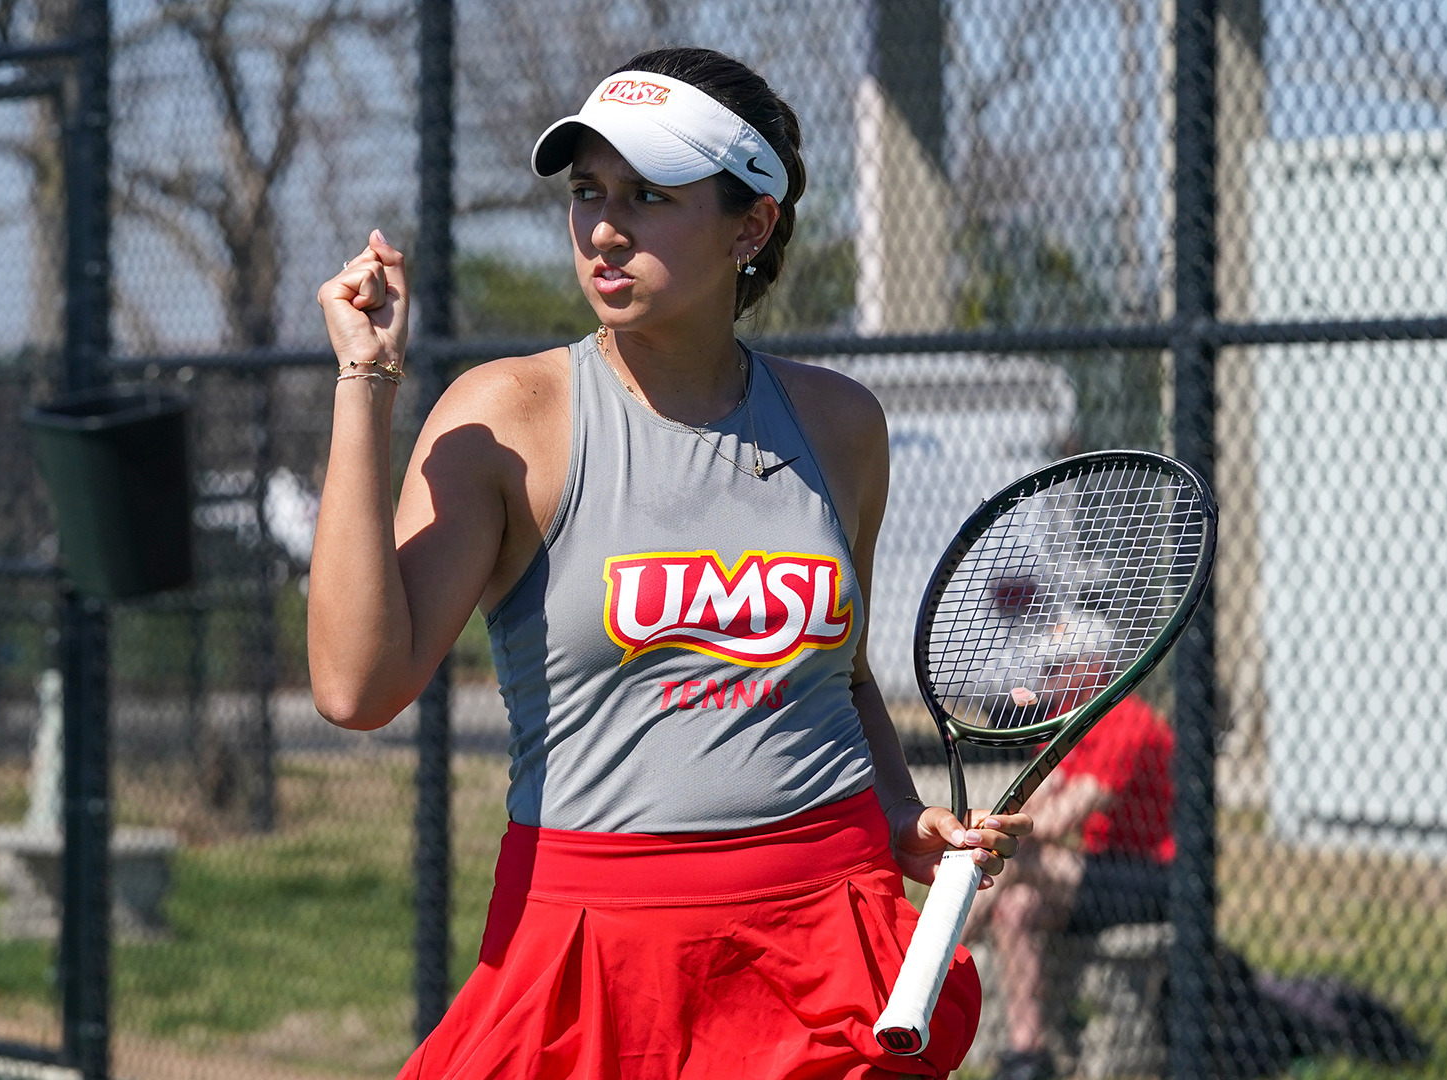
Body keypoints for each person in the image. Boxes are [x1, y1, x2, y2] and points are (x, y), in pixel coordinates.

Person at [307, 46, 1032, 1080]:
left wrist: (896, 812)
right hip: (589, 959)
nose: (605, 226)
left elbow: (843, 676)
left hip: (824, 947)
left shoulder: (839, 424)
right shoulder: (508, 418)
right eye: (589, 190)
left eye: (650, 194)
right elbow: (353, 687)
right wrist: (362, 380)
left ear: (751, 225)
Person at [962, 690, 1175, 1080]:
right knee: (1015, 905)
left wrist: (1007, 829)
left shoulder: (1129, 721)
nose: (1045, 678)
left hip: (1155, 877)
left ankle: (943, 946)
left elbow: (1060, 818)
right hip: (1097, 873)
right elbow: (1031, 804)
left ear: (1092, 666)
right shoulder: (1067, 720)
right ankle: (1027, 1052)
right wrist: (1011, 825)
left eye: (1057, 667)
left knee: (1019, 857)